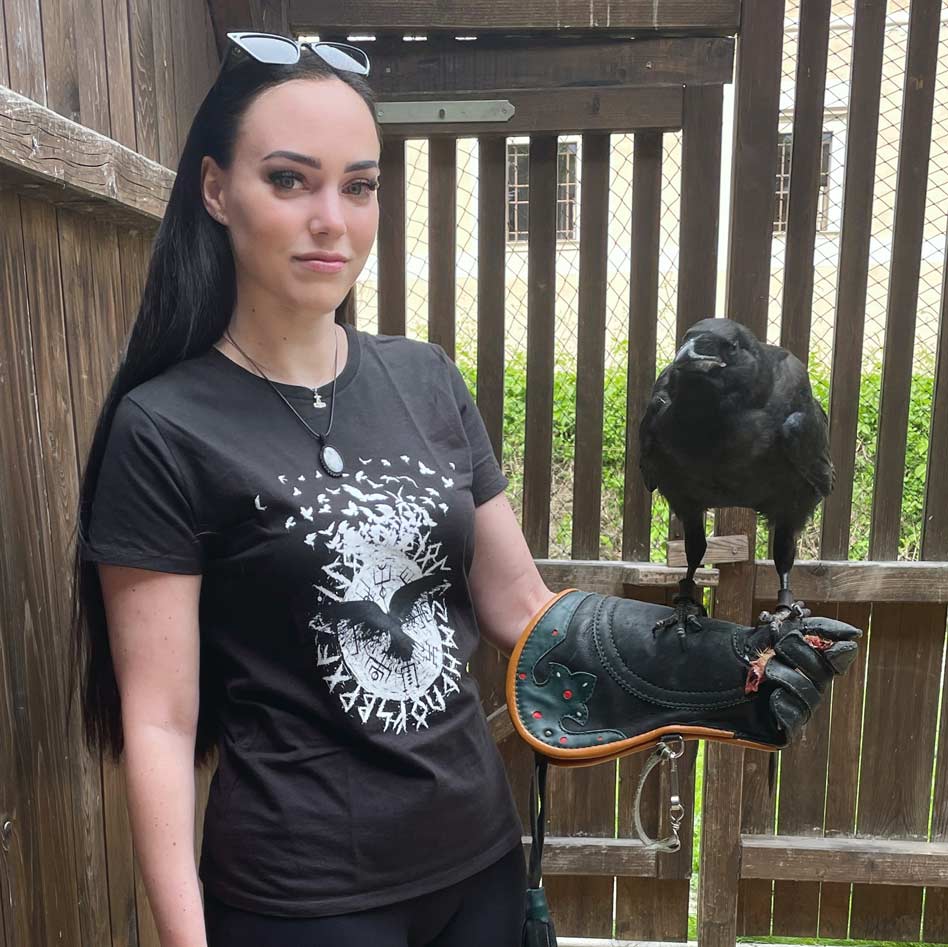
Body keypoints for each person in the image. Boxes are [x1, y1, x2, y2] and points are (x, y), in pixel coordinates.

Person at [69, 36, 554, 947]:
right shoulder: (164, 427)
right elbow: (162, 722)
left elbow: (522, 606)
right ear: (216, 190)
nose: (332, 219)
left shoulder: (426, 379)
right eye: (290, 180)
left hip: (482, 867)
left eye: (358, 186)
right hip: (303, 899)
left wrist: (710, 673)